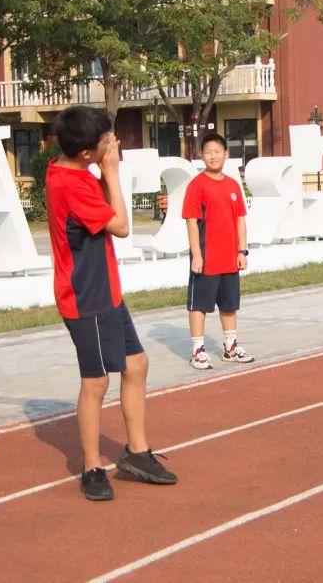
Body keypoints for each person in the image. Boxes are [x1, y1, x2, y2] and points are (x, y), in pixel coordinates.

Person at [47, 105, 178, 501]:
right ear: (87, 152)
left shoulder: (72, 170)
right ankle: (91, 467)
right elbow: (120, 225)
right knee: (96, 382)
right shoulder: (72, 183)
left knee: (136, 364)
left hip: (106, 291)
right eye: (108, 139)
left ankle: (137, 452)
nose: (114, 143)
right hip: (84, 297)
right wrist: (113, 173)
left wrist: (103, 171)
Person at [182, 133, 253, 370]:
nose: (213, 156)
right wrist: (197, 255)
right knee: (199, 305)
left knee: (229, 304)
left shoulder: (233, 185)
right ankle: (198, 351)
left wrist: (242, 251)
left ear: (226, 155)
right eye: (208, 152)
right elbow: (191, 222)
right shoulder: (196, 185)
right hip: (206, 259)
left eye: (217, 151)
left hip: (230, 258)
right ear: (202, 156)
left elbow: (240, 220)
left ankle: (231, 348)